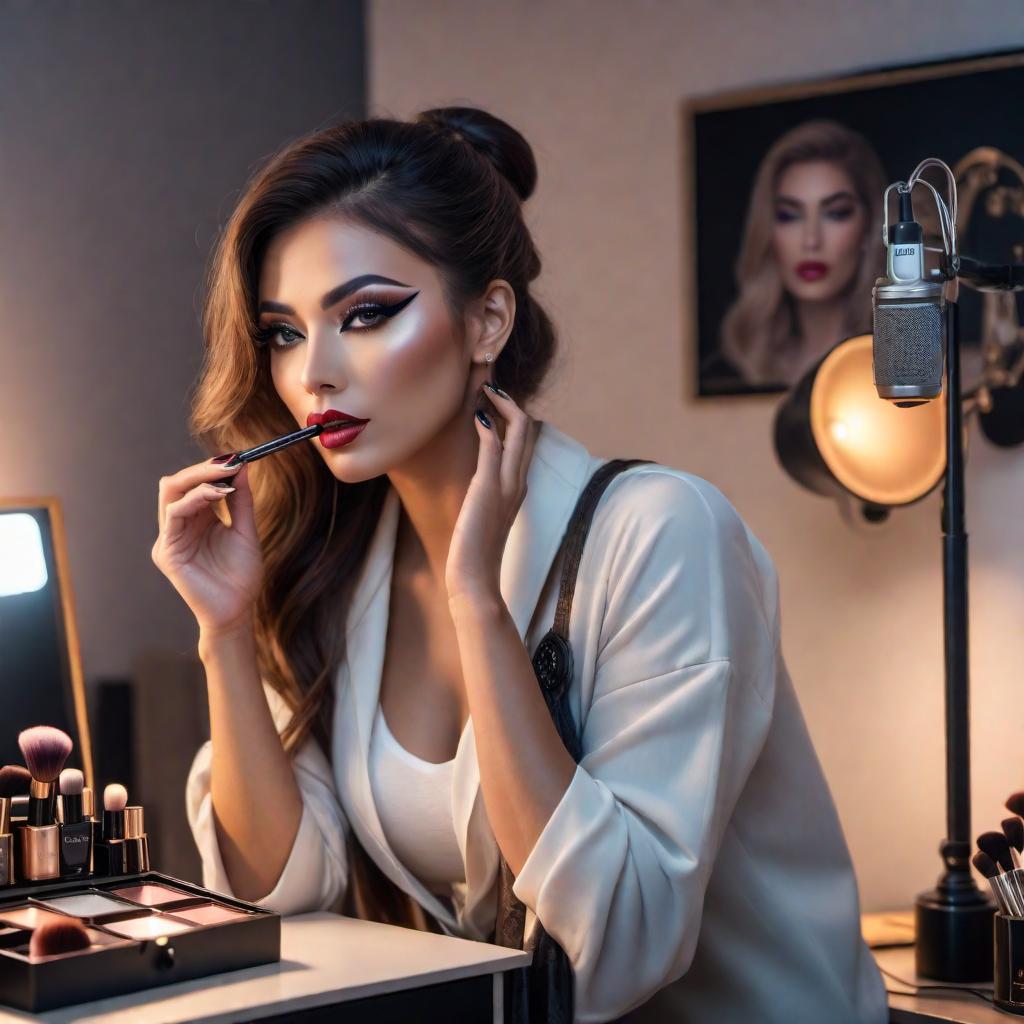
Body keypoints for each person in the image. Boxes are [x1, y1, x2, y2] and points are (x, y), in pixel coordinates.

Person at [151, 106, 888, 1022]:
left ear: (487, 319)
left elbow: (619, 947)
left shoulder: (664, 534)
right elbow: (283, 891)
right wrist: (223, 628)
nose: (316, 374)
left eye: (367, 313)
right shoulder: (330, 563)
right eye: (285, 332)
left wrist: (478, 604)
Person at [706, 119, 888, 392]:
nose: (811, 240)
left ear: (869, 228)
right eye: (789, 216)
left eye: (836, 213)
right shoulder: (733, 369)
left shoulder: (898, 364)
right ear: (768, 230)